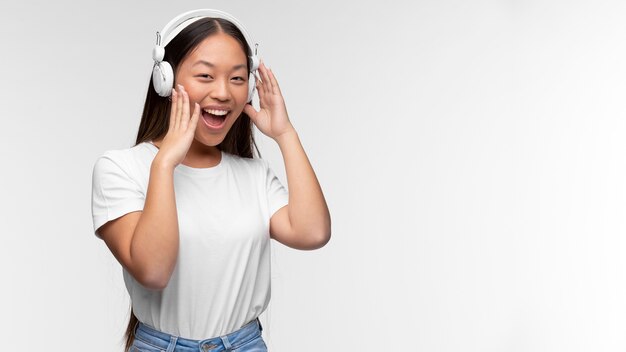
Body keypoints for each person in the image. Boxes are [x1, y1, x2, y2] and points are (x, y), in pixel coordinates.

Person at [90, 9, 331, 352]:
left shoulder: (253, 175)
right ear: (166, 79)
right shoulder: (120, 168)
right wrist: (165, 164)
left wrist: (285, 134)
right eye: (205, 75)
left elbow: (312, 233)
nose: (223, 93)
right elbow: (154, 272)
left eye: (236, 79)